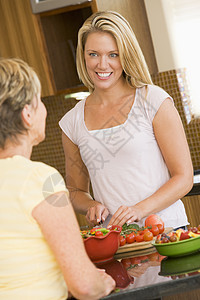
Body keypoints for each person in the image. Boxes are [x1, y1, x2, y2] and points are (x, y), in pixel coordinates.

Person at [59, 11, 193, 229]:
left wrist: (138, 210)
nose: (102, 65)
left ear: (126, 55)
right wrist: (91, 205)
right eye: (93, 54)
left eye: (113, 54)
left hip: (167, 232)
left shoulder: (153, 100)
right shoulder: (72, 121)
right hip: (115, 241)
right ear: (83, 56)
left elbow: (184, 178)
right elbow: (75, 191)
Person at [0, 58, 115, 300]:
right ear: (27, 115)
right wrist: (101, 282)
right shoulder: (40, 180)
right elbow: (84, 286)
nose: (44, 108)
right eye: (39, 101)